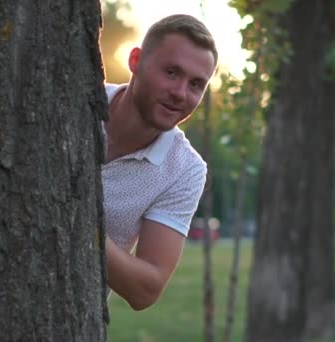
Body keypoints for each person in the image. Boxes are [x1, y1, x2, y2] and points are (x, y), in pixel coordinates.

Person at [101, 14, 218, 310]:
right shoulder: (74, 100)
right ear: (136, 60)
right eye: (171, 72)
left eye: (195, 84)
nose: (180, 93)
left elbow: (145, 289)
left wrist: (79, 223)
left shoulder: (184, 170)